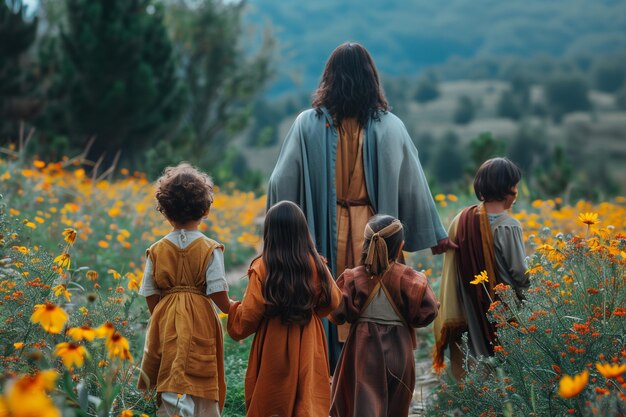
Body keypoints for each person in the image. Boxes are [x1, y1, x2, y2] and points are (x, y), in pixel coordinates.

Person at [266, 41, 455, 368]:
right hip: (376, 232)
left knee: (329, 297)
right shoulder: (391, 126)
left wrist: (279, 236)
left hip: (326, 227)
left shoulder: (307, 124)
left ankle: (330, 371)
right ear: (372, 78)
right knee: (376, 294)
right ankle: (375, 367)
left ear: (329, 77)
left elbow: (280, 183)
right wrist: (435, 235)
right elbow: (413, 184)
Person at [227, 201, 342, 417]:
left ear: (270, 232)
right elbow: (334, 300)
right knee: (307, 398)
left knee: (272, 399)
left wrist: (231, 307)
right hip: (309, 338)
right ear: (302, 231)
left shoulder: (262, 267)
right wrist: (313, 311)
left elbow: (248, 316)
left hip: (273, 341)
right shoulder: (317, 264)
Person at [137, 163, 234, 417]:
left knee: (171, 370)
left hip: (166, 317)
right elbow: (216, 292)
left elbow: (150, 291)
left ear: (165, 212)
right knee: (202, 373)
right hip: (201, 319)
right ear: (206, 210)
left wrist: (160, 315)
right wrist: (234, 309)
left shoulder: (156, 249)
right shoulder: (210, 248)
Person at [329, 214, 439, 417]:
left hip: (362, 350)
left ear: (366, 244)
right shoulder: (411, 280)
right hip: (400, 350)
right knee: (396, 408)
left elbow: (336, 313)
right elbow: (428, 312)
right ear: (400, 247)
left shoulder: (353, 278)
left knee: (364, 409)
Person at [433, 157, 530, 380]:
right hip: (503, 306)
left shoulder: (461, 220)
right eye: (514, 185)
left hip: (469, 303)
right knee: (506, 362)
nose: (516, 192)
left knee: (476, 359)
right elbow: (519, 274)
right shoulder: (509, 225)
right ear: (507, 189)